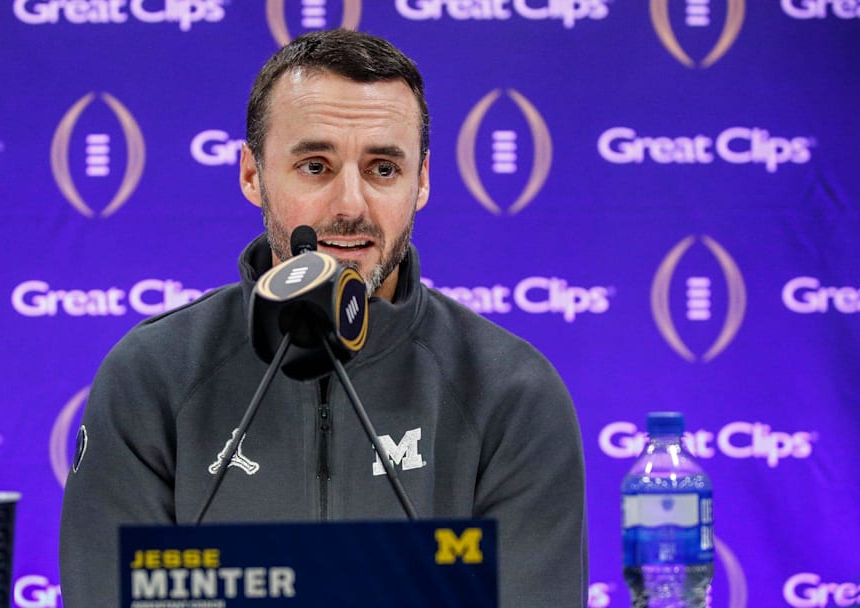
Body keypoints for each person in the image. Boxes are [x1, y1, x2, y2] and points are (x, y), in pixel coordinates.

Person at [59, 28, 587, 607]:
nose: (351, 205)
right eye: (315, 166)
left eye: (384, 169)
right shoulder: (153, 375)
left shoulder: (512, 391)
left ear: (423, 182)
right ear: (252, 174)